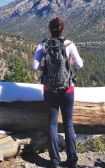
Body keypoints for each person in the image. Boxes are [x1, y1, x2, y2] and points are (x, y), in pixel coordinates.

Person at [32, 17, 83, 168]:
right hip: (67, 89)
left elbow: (35, 65)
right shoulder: (69, 44)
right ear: (62, 30)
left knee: (52, 124)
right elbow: (79, 64)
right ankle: (72, 160)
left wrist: (45, 69)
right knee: (68, 124)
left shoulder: (42, 45)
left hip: (49, 90)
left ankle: (54, 161)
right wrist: (71, 62)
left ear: (49, 30)